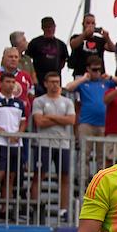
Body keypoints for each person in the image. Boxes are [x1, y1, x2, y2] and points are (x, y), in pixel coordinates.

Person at [31, 70, 76, 216]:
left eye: (57, 82)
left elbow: (71, 120)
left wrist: (49, 117)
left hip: (63, 145)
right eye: (52, 82)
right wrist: (59, 118)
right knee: (39, 175)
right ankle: (35, 208)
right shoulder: (39, 101)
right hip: (43, 143)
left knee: (64, 177)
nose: (55, 85)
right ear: (45, 84)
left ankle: (63, 210)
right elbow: (39, 122)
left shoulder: (67, 102)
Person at [0, 72, 27, 203]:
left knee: (11, 176)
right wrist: (1, 131)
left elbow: (23, 122)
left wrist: (18, 133)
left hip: (15, 144)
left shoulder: (19, 103)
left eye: (13, 82)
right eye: (7, 82)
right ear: (0, 83)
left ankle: (4, 209)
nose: (11, 85)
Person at [66, 57, 114, 138]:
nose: (98, 72)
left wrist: (111, 77)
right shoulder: (83, 83)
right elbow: (68, 87)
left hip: (103, 124)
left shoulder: (106, 82)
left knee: (102, 150)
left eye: (99, 69)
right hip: (86, 123)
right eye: (94, 70)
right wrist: (83, 78)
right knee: (84, 150)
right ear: (88, 69)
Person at [26, 16, 70, 93]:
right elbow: (27, 59)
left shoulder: (61, 44)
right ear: (42, 28)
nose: (49, 29)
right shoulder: (35, 42)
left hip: (55, 80)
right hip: (39, 80)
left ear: (55, 27)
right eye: (46, 27)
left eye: (51, 27)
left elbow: (64, 60)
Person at [69, 13, 114, 77]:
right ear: (83, 24)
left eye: (92, 23)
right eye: (88, 23)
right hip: (80, 74)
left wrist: (107, 38)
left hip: (98, 74)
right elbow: (73, 45)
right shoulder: (76, 37)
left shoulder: (100, 40)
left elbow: (113, 49)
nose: (90, 25)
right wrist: (85, 34)